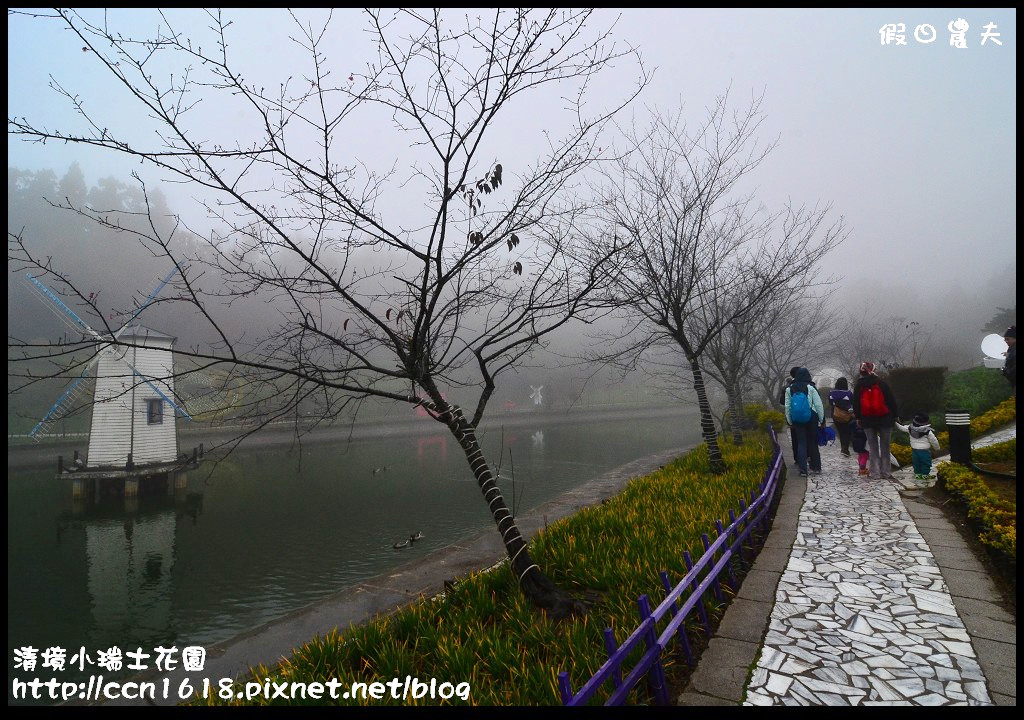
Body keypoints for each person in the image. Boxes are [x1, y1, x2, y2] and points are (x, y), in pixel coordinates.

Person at [852, 361, 899, 480]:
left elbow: (856, 403)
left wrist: (858, 417)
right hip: (885, 418)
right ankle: (886, 472)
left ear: (861, 372)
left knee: (872, 447)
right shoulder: (882, 383)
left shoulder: (859, 385)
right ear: (874, 370)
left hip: (867, 419)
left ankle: (874, 473)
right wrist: (895, 415)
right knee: (885, 446)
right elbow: (891, 400)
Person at [785, 367, 826, 477]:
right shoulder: (810, 387)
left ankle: (803, 470)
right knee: (813, 442)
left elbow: (788, 406)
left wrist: (789, 421)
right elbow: (818, 405)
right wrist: (822, 420)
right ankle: (816, 467)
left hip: (797, 419)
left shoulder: (790, 388)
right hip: (811, 417)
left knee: (801, 443)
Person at [895, 413, 940, 480]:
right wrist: (937, 448)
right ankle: (924, 476)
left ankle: (918, 476)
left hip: (915, 451)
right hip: (925, 452)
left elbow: (902, 428)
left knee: (916, 464)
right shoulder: (927, 431)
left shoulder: (910, 428)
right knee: (926, 464)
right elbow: (934, 440)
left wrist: (895, 422)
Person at [778, 366, 801, 463]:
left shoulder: (786, 388)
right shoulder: (809, 385)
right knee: (805, 438)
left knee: (795, 438)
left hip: (793, 415)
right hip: (807, 416)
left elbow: (783, 403)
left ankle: (797, 458)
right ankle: (807, 456)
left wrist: (788, 420)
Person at [828, 377, 855, 456]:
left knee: (841, 431)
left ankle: (843, 448)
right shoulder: (849, 393)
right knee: (847, 432)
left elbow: (830, 403)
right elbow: (852, 403)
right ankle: (845, 449)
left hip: (835, 415)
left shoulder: (831, 392)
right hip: (847, 415)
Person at [1003, 326, 1016, 393]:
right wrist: (1008, 354)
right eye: (1005, 339)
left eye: (1007, 339)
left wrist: (1005, 371)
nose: (1006, 341)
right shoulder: (1011, 348)